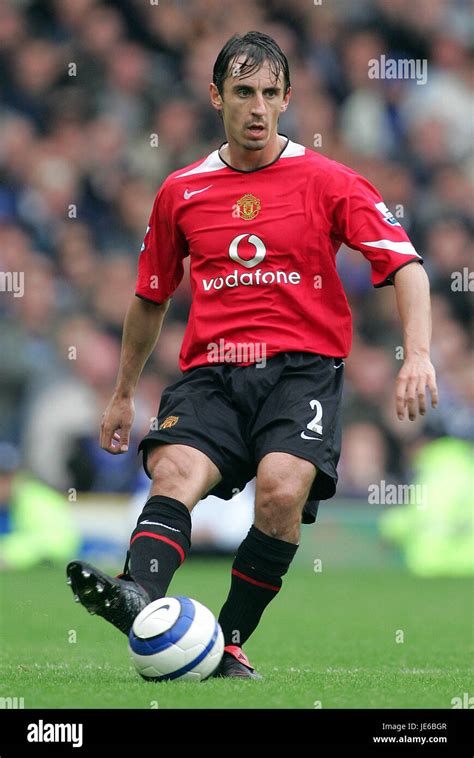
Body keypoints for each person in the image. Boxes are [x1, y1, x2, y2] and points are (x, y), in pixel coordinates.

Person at [67, 31, 438, 679]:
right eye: (243, 92)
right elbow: (150, 297)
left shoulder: (330, 181)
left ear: (289, 98)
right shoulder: (181, 191)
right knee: (175, 474)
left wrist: (419, 356)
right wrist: (123, 391)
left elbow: (405, 266)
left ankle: (229, 640)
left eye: (270, 93)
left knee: (280, 491)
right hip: (211, 373)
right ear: (217, 97)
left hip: (302, 372)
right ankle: (140, 596)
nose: (258, 107)